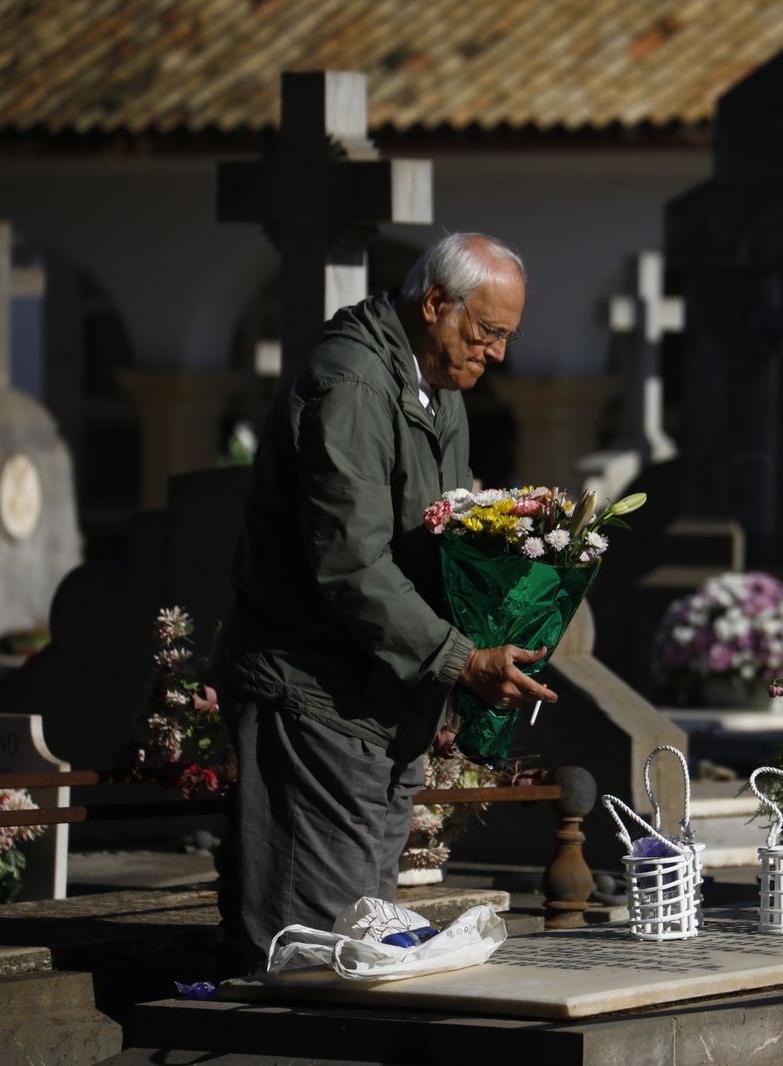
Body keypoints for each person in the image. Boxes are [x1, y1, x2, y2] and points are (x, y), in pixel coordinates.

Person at [215, 232, 556, 970]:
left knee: (361, 933)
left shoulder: (437, 385)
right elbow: (351, 565)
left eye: (504, 336)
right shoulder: (353, 388)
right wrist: (461, 659)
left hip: (378, 696)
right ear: (435, 305)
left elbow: (438, 531)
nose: (495, 354)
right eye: (487, 332)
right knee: (317, 946)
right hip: (317, 694)